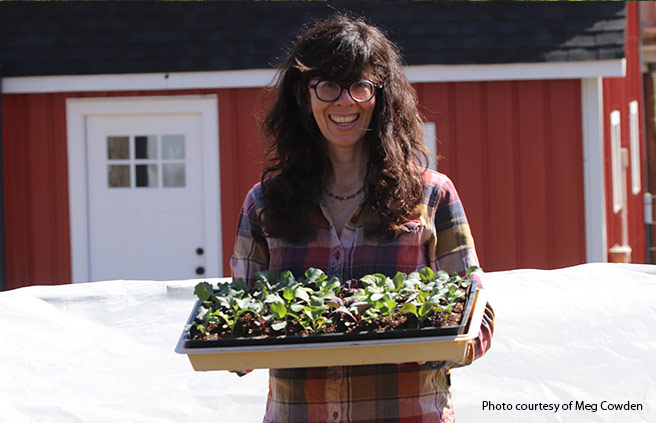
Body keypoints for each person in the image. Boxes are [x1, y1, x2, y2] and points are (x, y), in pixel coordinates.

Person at [231, 13, 494, 423]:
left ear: (381, 95)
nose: (345, 101)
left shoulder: (431, 193)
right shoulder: (264, 204)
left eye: (360, 86)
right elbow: (239, 323)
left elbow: (478, 311)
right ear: (304, 95)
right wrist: (236, 344)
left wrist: (444, 344)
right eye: (329, 86)